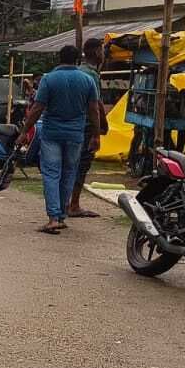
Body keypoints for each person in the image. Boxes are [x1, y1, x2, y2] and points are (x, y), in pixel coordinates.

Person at [17, 45, 103, 235]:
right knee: (69, 173)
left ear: (59, 58)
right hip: (75, 134)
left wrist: (24, 131)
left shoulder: (49, 79)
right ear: (77, 59)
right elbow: (94, 110)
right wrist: (96, 135)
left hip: (52, 133)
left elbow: (37, 108)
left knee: (51, 173)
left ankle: (54, 218)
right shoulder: (87, 80)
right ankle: (62, 215)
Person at [66, 38, 111, 219]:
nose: (104, 54)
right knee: (82, 165)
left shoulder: (78, 71)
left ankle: (66, 202)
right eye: (102, 50)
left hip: (74, 125)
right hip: (85, 127)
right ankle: (73, 204)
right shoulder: (91, 75)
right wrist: (100, 126)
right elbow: (96, 104)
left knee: (71, 165)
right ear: (96, 52)